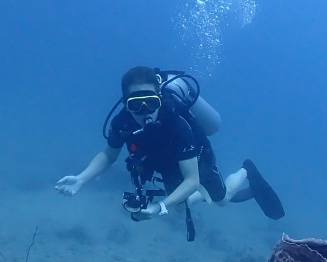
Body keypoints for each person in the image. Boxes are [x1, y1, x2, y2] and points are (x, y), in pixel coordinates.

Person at [56, 66, 284, 241]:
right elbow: (109, 155)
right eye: (136, 105)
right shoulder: (122, 122)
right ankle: (192, 197)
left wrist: (159, 207)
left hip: (196, 157)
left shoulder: (177, 124)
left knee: (223, 200)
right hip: (166, 162)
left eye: (151, 102)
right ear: (126, 104)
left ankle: (246, 169)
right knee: (177, 207)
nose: (145, 112)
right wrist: (81, 179)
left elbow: (192, 179)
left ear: (159, 98)